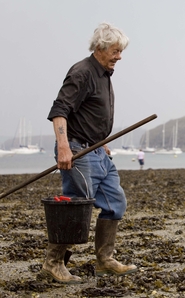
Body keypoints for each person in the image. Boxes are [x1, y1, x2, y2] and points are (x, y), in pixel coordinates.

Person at [43, 22, 137, 283]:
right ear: (100, 48)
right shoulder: (82, 72)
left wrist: (101, 140)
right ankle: (53, 263)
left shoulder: (104, 74)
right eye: (116, 51)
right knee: (76, 204)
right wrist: (63, 147)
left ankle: (105, 260)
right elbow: (60, 109)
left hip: (97, 150)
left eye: (121, 51)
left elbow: (90, 114)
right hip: (77, 151)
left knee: (115, 202)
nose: (119, 57)